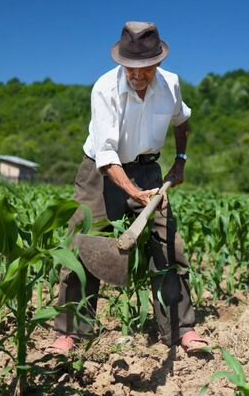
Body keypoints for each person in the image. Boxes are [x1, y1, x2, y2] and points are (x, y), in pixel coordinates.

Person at [47, 21, 208, 355]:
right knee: (81, 243)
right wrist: (133, 193)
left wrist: (180, 159)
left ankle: (181, 329)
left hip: (149, 170)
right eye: (130, 69)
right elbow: (106, 156)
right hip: (100, 172)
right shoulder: (105, 89)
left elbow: (182, 121)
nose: (136, 76)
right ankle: (71, 331)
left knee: (168, 245)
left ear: (157, 62)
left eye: (144, 69)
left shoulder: (171, 85)